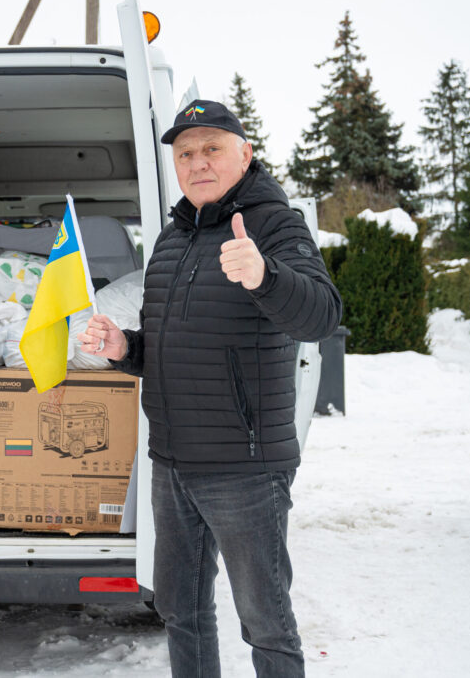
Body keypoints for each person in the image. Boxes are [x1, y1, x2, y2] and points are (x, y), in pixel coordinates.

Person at [80, 99, 342, 677]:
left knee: (264, 620)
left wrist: (265, 275)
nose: (198, 163)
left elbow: (322, 316)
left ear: (245, 154)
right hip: (173, 463)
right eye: (186, 153)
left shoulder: (274, 225)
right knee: (181, 608)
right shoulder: (172, 241)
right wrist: (124, 349)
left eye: (212, 149)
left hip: (245, 467)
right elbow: (173, 347)